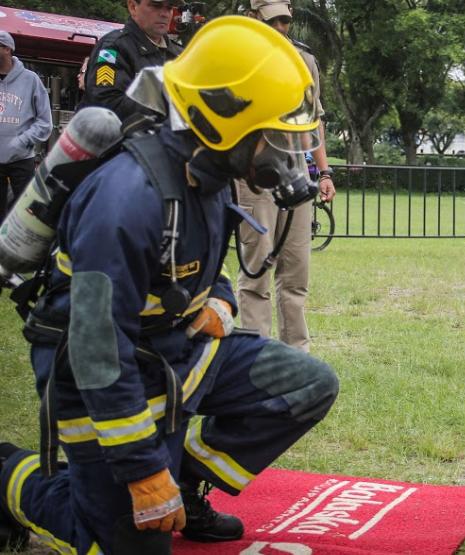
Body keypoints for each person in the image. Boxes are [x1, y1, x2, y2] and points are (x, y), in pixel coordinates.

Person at [0, 16, 339, 553]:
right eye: (274, 137)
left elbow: (202, 264)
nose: (285, 155)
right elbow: (97, 352)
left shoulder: (208, 170)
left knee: (308, 383)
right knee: (123, 546)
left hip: (172, 351)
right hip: (96, 378)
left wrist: (220, 302)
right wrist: (141, 470)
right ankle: (7, 477)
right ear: (225, 123)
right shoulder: (126, 199)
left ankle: (180, 484)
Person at [236, 0, 336, 353]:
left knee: (296, 273)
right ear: (253, 16)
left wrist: (324, 172)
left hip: (297, 173)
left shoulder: (304, 59)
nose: (280, 28)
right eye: (271, 20)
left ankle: (296, 356)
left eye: (284, 20)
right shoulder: (238, 56)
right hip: (254, 176)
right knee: (257, 272)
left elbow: (314, 120)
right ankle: (256, 356)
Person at [80, 0, 182, 121]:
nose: (164, 14)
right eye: (156, 6)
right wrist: (167, 105)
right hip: (121, 131)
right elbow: (107, 106)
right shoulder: (114, 47)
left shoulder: (179, 55)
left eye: (169, 8)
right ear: (133, 7)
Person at [0, 31, 52, 219]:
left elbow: (45, 122)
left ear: (7, 49)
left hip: (21, 160)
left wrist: (21, 141)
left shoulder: (31, 80)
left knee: (24, 214)